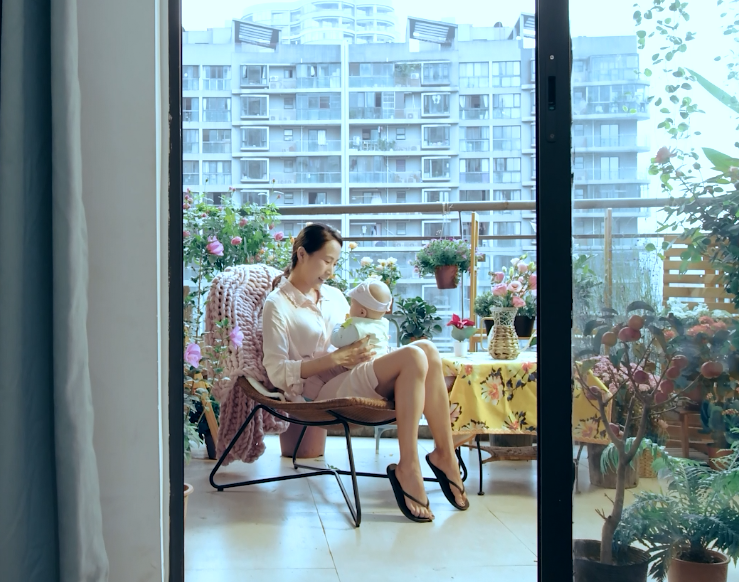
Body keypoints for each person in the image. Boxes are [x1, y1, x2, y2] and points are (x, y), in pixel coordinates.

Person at [262, 223, 469, 522]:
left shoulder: (334, 296)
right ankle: (409, 467)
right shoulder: (277, 305)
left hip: (356, 374)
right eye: (326, 261)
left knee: (427, 348)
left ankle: (444, 454)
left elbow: (359, 332)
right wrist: (335, 358)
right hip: (320, 393)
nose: (331, 271)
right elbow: (277, 372)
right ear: (302, 254)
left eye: (335, 263)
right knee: (414, 353)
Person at [330, 278, 392, 371]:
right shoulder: (383, 323)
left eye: (351, 304)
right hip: (379, 364)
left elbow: (336, 340)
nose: (350, 307)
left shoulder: (356, 327)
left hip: (361, 369)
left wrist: (340, 325)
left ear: (362, 312)